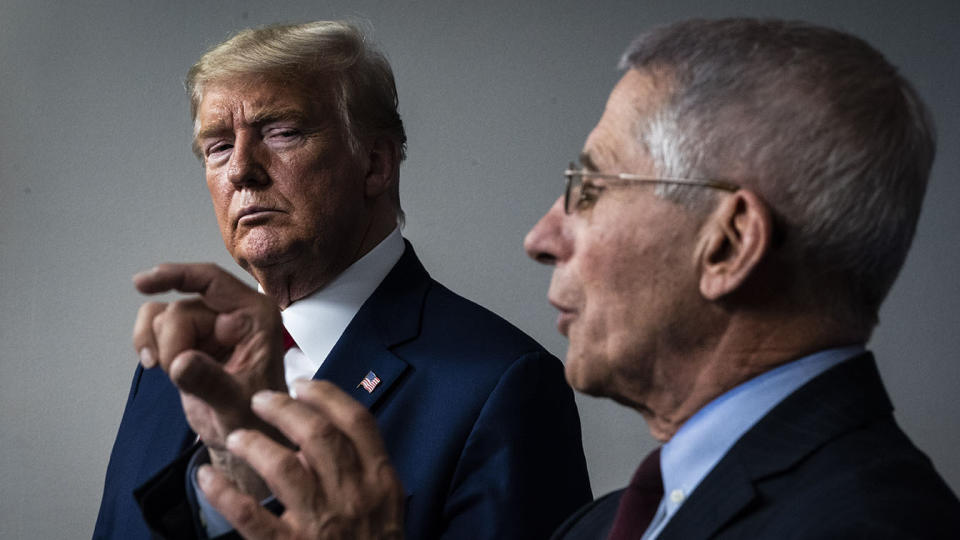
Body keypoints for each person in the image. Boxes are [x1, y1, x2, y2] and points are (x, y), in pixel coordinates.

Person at [192, 17, 960, 539]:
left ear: (728, 244)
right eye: (215, 147)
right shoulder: (602, 525)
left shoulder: (874, 524)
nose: (542, 236)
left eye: (590, 188)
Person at [92, 21, 591, 540]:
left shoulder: (503, 385)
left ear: (375, 164)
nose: (241, 169)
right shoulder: (175, 369)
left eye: (281, 132)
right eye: (218, 146)